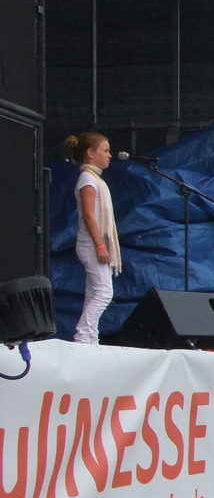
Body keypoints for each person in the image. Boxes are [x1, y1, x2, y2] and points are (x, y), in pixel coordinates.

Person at [65, 131, 122, 344]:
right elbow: (89, 215)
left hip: (94, 244)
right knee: (104, 293)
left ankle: (90, 338)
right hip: (91, 244)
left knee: (94, 293)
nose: (109, 155)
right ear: (90, 153)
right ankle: (83, 335)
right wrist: (100, 245)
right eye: (105, 150)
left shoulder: (94, 178)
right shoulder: (88, 179)